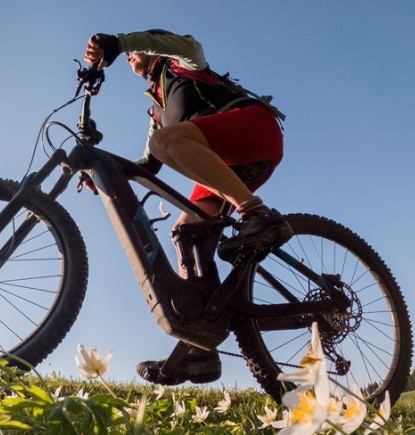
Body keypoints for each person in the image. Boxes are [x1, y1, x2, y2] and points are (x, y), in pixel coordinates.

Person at [84, 29, 293, 386]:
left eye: (136, 52)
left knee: (167, 141)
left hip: (254, 129)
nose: (131, 58)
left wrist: (120, 42)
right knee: (186, 230)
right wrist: (99, 174)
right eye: (129, 54)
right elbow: (148, 165)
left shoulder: (183, 64)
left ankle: (257, 214)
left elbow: (188, 43)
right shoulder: (158, 112)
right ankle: (200, 345)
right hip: (227, 167)